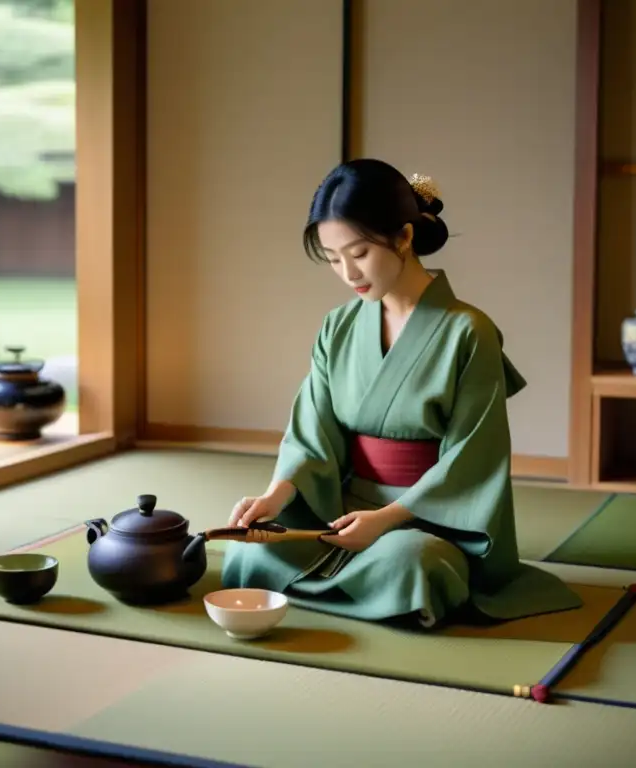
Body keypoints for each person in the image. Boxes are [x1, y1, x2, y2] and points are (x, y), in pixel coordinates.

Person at [219, 158, 582, 628]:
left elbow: (474, 457)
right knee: (250, 554)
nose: (349, 273)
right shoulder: (338, 326)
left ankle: (380, 581)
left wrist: (389, 518)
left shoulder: (469, 332)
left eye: (360, 253)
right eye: (333, 260)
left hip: (425, 519)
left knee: (413, 566)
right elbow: (312, 433)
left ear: (405, 237)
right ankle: (366, 590)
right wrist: (275, 493)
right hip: (339, 511)